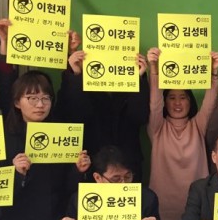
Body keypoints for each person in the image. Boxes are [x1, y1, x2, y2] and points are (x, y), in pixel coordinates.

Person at [0, 72, 90, 220]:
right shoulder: (3, 140)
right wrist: (16, 174)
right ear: (17, 102)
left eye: (46, 98)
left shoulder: (62, 136)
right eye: (32, 98)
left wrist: (77, 170)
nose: (40, 105)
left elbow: (67, 189)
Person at [146, 47, 218, 220]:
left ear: (190, 101)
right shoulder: (157, 127)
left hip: (195, 204)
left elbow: (209, 105)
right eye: (172, 97)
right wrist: (154, 68)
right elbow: (154, 104)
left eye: (183, 97)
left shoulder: (198, 125)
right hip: (163, 204)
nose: (177, 103)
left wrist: (214, 73)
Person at [59, 41, 150, 181]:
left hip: (128, 168)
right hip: (91, 165)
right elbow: (73, 115)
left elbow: (140, 116)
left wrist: (139, 78)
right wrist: (75, 74)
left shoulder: (131, 87)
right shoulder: (82, 87)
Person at [53, 146, 165, 220]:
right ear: (98, 178)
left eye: (127, 177)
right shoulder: (80, 199)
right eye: (116, 179)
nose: (123, 184)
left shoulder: (147, 198)